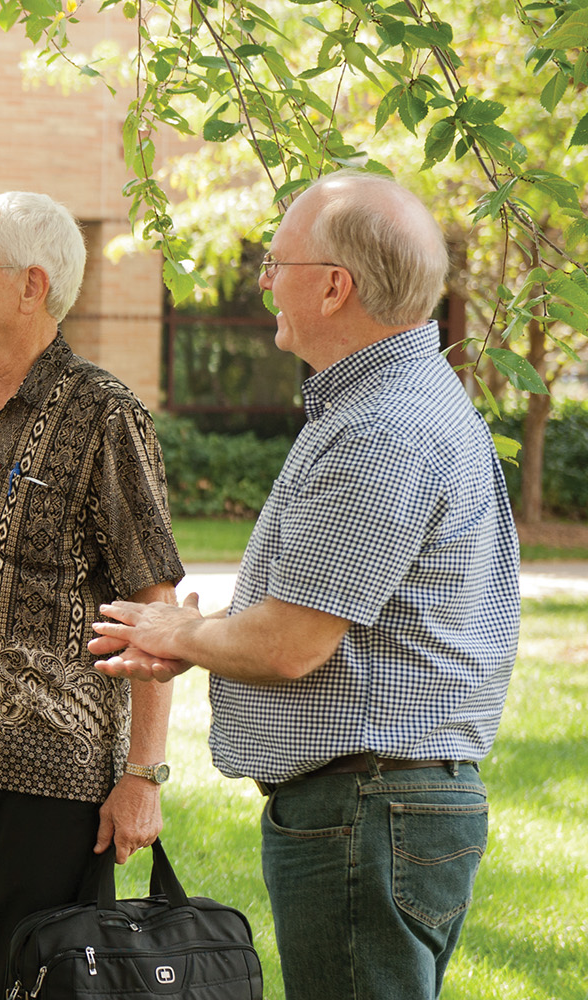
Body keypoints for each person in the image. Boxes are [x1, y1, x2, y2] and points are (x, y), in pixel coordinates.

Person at [92, 171, 516, 1000]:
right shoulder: (395, 404)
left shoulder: (380, 426)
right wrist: (199, 637)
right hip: (386, 807)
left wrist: (173, 633)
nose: (262, 281)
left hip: (365, 810)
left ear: (334, 286)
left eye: (275, 261)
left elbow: (290, 646)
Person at [0, 191, 185, 1000]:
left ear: (30, 283)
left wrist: (144, 773)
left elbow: (152, 596)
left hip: (55, 781)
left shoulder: (106, 414)